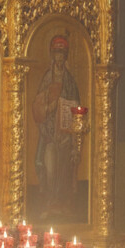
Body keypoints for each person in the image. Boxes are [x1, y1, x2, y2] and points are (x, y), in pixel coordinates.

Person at [31, 34, 82, 219]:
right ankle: (49, 201)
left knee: (64, 169)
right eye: (56, 54)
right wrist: (52, 106)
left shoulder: (69, 80)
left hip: (66, 135)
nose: (59, 58)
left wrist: (70, 108)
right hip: (49, 135)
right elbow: (37, 107)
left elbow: (77, 107)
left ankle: (61, 203)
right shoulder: (47, 78)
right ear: (52, 55)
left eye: (62, 54)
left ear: (66, 56)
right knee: (49, 167)